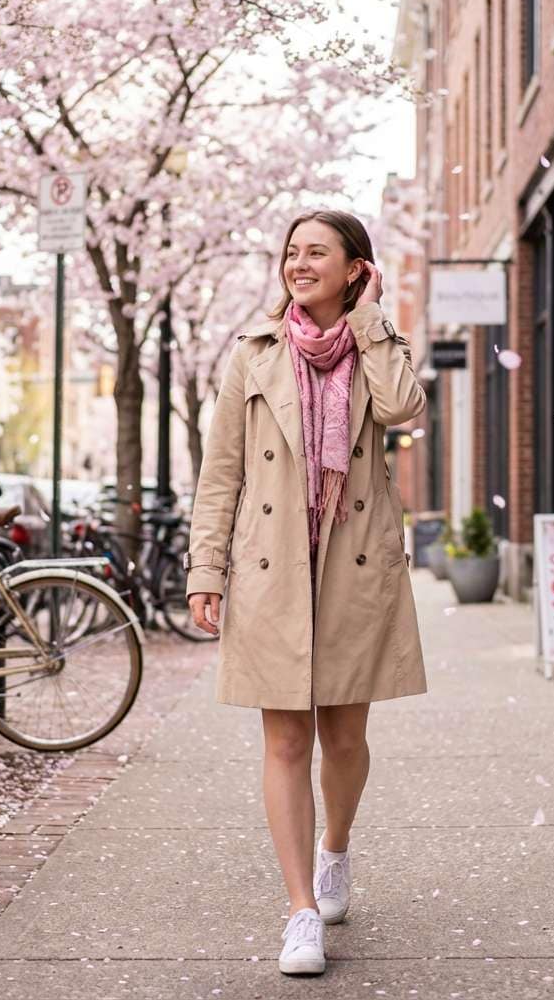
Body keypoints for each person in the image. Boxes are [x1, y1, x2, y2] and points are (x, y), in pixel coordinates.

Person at [186, 209, 428, 976]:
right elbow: (221, 473)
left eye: (316, 252)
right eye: (292, 252)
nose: (298, 263)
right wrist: (205, 570)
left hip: (354, 564)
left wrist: (373, 323)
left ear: (356, 268)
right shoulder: (253, 355)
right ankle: (299, 913)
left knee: (345, 740)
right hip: (271, 567)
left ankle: (335, 850)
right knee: (286, 740)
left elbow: (402, 409)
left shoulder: (376, 346)